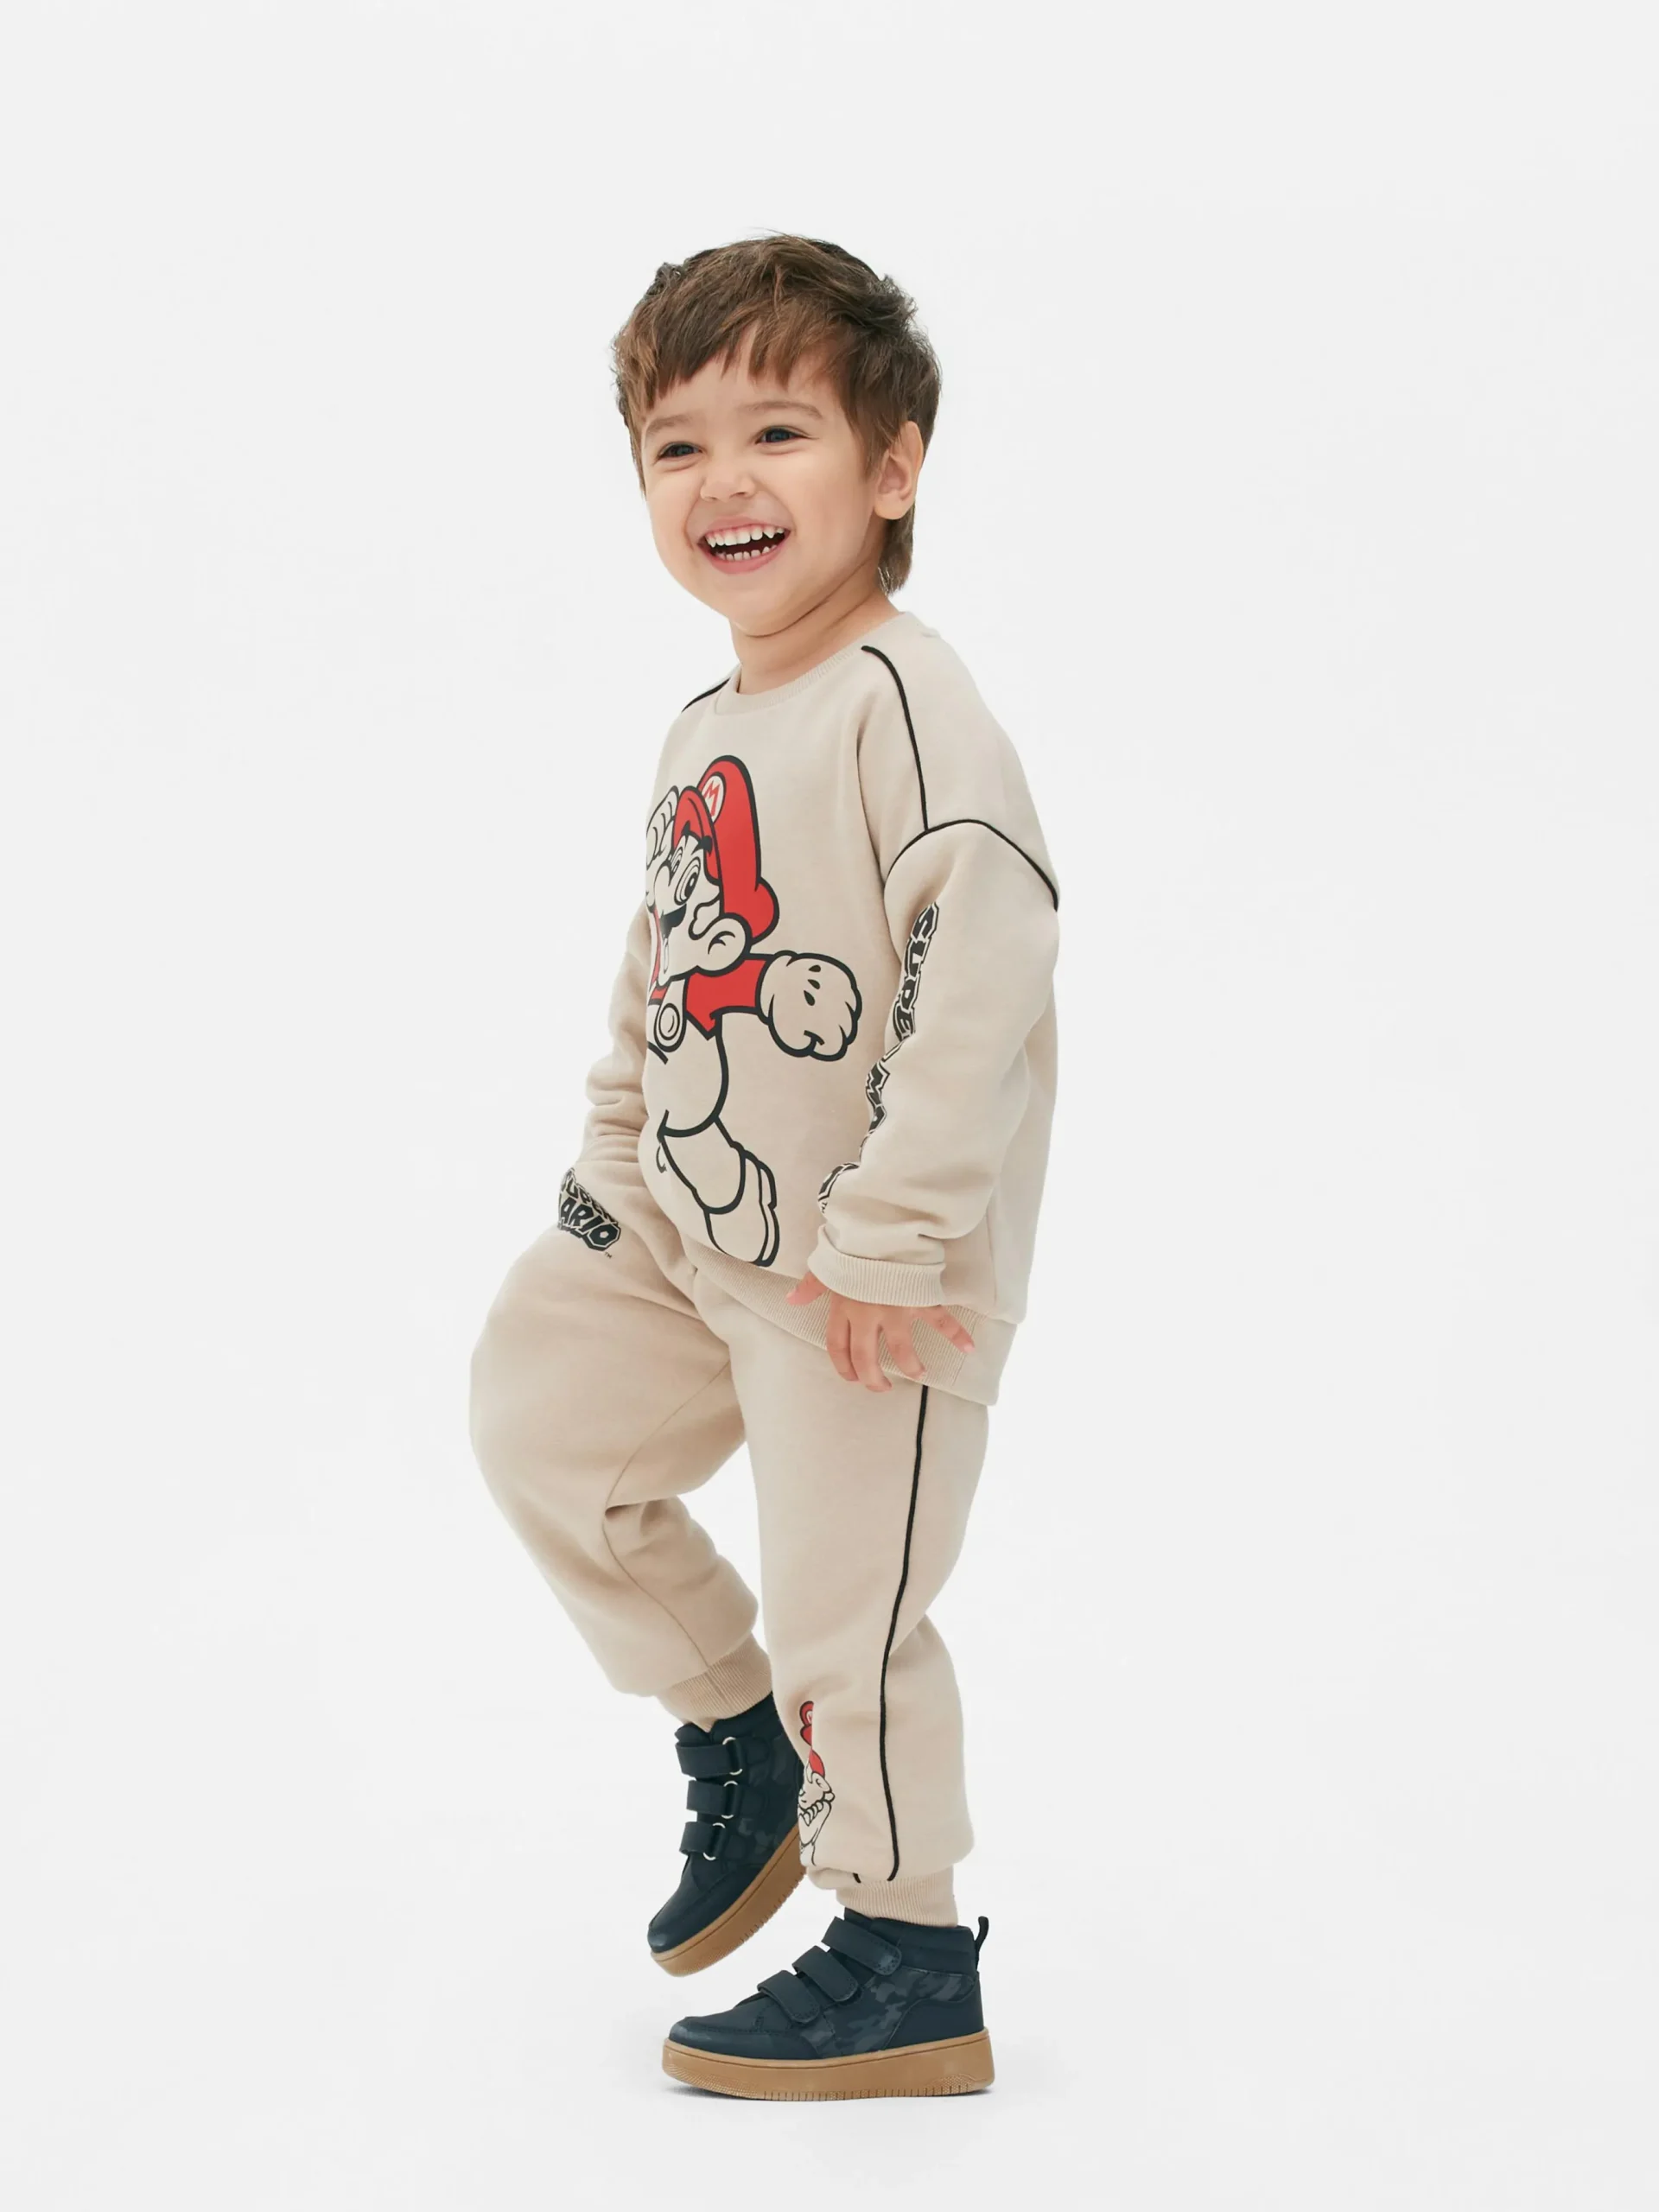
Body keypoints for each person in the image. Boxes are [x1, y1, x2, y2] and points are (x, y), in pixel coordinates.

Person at [468, 232, 1061, 2101]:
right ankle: (731, 1725)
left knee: (847, 1617)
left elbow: (983, 968)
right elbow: (661, 963)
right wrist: (613, 1165)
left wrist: (892, 1240)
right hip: (691, 1221)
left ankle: (906, 1955)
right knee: (539, 1420)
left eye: (777, 432)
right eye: (677, 445)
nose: (722, 480)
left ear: (892, 466)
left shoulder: (903, 702)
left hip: (863, 1284)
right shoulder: (710, 722)